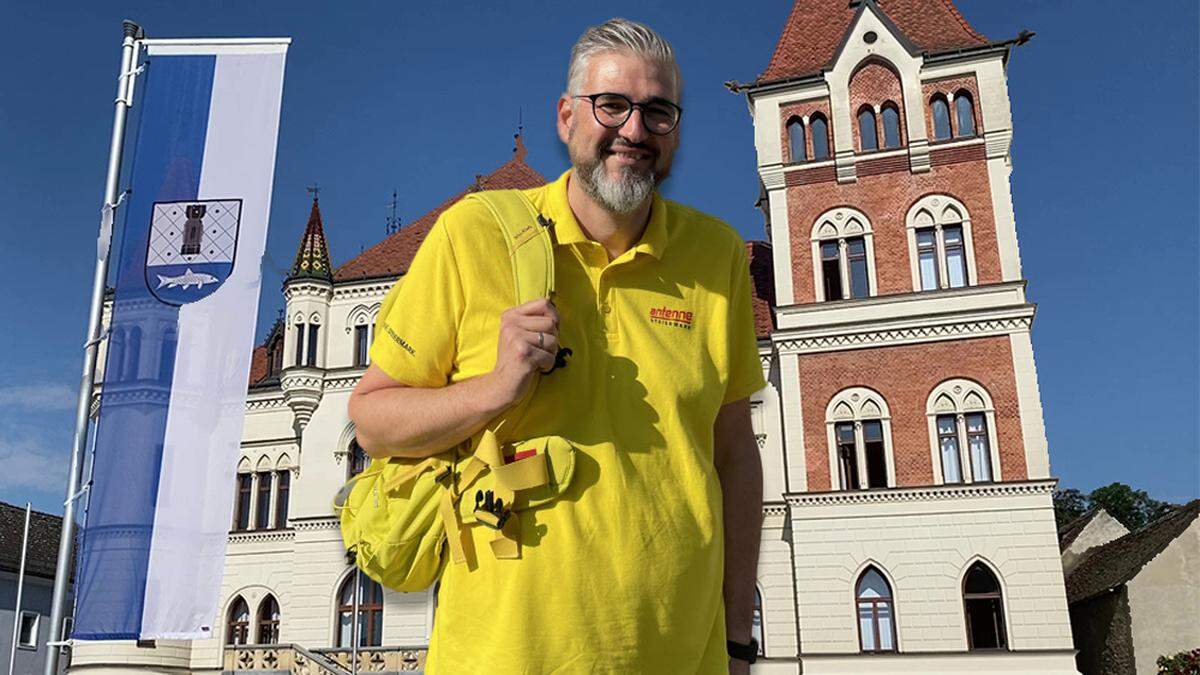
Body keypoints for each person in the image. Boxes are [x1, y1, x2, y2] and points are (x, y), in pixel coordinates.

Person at [349, 17, 765, 674]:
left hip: (683, 658)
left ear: (677, 131)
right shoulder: (473, 235)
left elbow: (735, 457)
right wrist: (493, 388)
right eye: (612, 106)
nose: (633, 130)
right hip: (504, 657)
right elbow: (371, 419)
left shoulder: (715, 255)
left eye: (657, 112)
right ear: (567, 118)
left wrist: (739, 640)